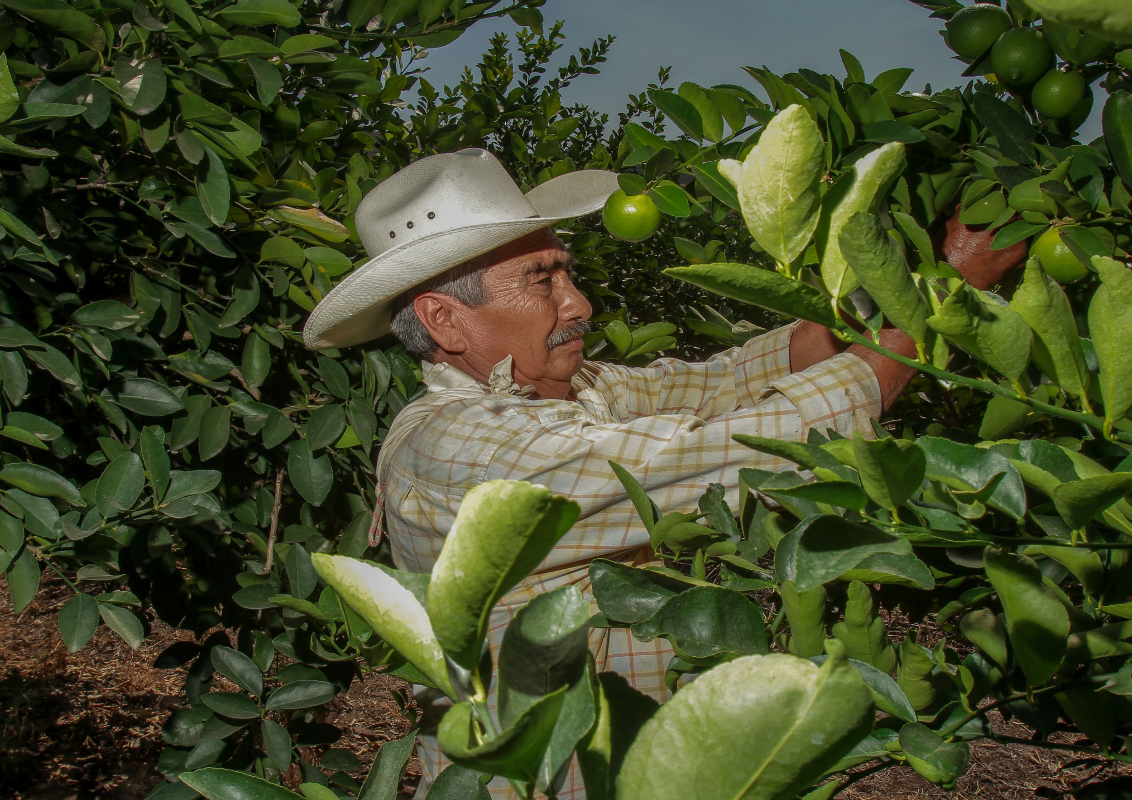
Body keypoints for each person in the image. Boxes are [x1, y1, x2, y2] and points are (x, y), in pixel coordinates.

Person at [302, 148, 1025, 798]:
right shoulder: (459, 447)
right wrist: (941, 300)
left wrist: (911, 276)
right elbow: (735, 450)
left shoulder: (577, 392)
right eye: (541, 279)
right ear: (445, 321)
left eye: (566, 272)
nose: (577, 303)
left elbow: (733, 378)